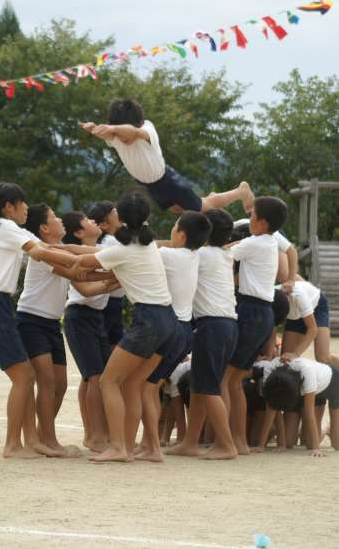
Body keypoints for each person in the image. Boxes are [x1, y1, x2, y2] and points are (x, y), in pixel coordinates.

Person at [0, 183, 81, 459]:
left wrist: (84, 256)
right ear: (9, 206)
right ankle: (13, 445)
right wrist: (78, 263)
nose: (26, 208)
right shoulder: (5, 227)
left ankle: (32, 441)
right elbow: (41, 253)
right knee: (24, 376)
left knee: (27, 376)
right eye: (23, 203)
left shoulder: (10, 229)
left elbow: (46, 246)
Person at [74, 191, 177, 462]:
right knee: (133, 383)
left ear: (118, 216)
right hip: (168, 320)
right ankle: (137, 448)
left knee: (109, 381)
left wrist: (43, 252)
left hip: (149, 319)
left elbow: (82, 261)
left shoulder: (122, 249)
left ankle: (119, 447)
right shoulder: (147, 242)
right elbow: (93, 255)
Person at [16, 203, 113, 457]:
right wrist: (116, 268)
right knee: (47, 382)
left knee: (59, 384)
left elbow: (81, 274)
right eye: (54, 217)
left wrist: (115, 274)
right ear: (44, 228)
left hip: (51, 323)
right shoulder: (43, 250)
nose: (60, 220)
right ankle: (49, 440)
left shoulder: (55, 248)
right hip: (31, 320)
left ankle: (43, 436)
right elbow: (76, 271)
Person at [79, 98, 255, 214]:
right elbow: (106, 133)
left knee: (202, 208)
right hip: (149, 184)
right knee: (177, 209)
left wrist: (114, 129)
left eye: (124, 135)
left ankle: (240, 191)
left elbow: (133, 132)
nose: (124, 140)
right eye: (119, 136)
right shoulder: (114, 136)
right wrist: (93, 128)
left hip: (168, 181)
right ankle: (212, 198)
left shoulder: (147, 129)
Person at [137, 211, 212, 462]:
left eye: (174, 226)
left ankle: (152, 446)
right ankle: (148, 443)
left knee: (145, 387)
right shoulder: (194, 255)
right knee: (152, 386)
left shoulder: (169, 255)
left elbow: (143, 251)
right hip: (184, 330)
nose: (171, 230)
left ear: (181, 234)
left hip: (169, 328)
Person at [167, 209, 238, 460]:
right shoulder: (224, 254)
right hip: (225, 325)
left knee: (208, 388)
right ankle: (190, 442)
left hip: (212, 326)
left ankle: (226, 445)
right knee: (200, 386)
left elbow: (175, 252)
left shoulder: (201, 255)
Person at [224, 197, 288, 455]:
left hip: (250, 311)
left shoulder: (255, 243)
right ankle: (238, 441)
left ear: (262, 223)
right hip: (262, 313)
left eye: (252, 217)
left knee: (225, 378)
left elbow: (224, 252)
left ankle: (226, 442)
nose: (249, 220)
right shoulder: (270, 241)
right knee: (234, 381)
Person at [62, 211, 119, 453]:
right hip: (79, 316)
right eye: (87, 221)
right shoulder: (72, 257)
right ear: (78, 232)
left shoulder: (101, 252)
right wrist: (116, 279)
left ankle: (98, 433)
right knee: (94, 377)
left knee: (99, 377)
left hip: (96, 317)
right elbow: (86, 290)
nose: (93, 221)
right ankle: (96, 436)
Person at [254, 356, 339, 456]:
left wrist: (316, 448)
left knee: (326, 443)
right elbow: (272, 407)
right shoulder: (270, 369)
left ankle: (327, 427)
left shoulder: (307, 372)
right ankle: (303, 430)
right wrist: (264, 445)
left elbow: (309, 412)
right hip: (300, 388)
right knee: (288, 441)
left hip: (329, 384)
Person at [88, 201, 125, 349]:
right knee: (111, 345)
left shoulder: (115, 241)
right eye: (114, 212)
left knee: (114, 344)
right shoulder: (110, 242)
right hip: (110, 302)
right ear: (103, 225)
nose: (119, 213)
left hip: (114, 301)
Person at [280, 279, 339, 368]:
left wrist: (296, 354)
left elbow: (312, 329)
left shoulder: (299, 295)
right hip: (295, 313)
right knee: (285, 359)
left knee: (323, 358)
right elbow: (272, 328)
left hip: (316, 307)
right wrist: (268, 354)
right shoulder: (270, 300)